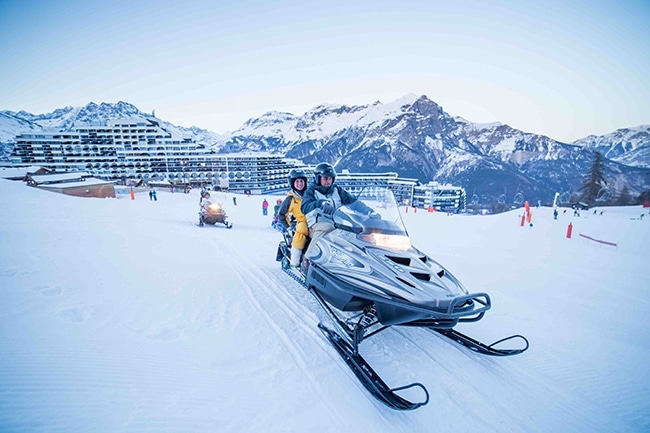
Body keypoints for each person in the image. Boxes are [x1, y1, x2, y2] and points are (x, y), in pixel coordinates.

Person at [301, 162, 376, 254]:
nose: (328, 181)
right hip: (317, 224)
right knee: (327, 228)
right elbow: (305, 207)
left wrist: (369, 212)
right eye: (325, 178)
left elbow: (354, 202)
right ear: (318, 178)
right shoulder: (311, 191)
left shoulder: (337, 190)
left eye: (330, 178)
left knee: (357, 231)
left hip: (338, 223)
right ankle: (308, 258)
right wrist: (320, 203)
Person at [277, 169, 309, 267]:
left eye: (301, 181)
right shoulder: (291, 199)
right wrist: (288, 227)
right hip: (302, 222)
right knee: (301, 230)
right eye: (297, 181)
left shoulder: (310, 194)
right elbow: (281, 214)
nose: (300, 184)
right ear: (292, 183)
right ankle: (295, 258)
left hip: (315, 220)